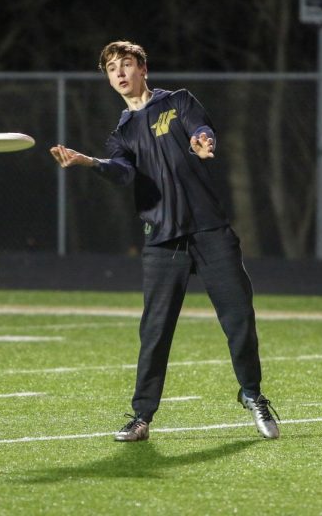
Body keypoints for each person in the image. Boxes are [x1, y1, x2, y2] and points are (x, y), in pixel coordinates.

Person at [49, 40, 279, 442]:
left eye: (126, 65)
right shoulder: (122, 132)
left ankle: (253, 395)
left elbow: (200, 129)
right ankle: (141, 417)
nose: (119, 73)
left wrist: (202, 140)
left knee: (239, 318)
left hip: (210, 231)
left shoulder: (179, 102)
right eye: (111, 69)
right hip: (162, 241)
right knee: (155, 331)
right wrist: (89, 162)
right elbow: (121, 173)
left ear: (143, 69)